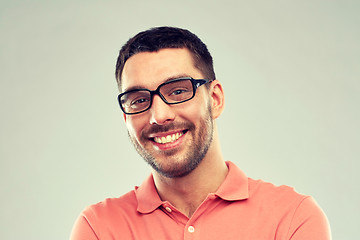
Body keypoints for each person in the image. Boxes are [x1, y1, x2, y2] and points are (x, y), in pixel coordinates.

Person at [70, 26, 331, 239]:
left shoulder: (293, 218)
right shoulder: (98, 228)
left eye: (178, 91)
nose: (159, 116)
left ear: (215, 98)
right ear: (126, 116)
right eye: (138, 100)